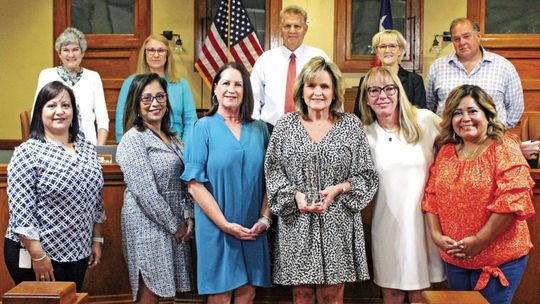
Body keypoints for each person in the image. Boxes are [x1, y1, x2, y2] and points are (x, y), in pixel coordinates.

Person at [265, 56, 378, 303]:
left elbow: (366, 176)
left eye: (324, 86)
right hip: (297, 221)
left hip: (338, 221)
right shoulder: (284, 126)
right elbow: (273, 172)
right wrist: (294, 195)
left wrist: (339, 188)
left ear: (335, 90)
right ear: (301, 90)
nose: (318, 92)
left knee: (332, 295)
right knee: (302, 295)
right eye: (311, 86)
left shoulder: (351, 125)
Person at [422, 85, 535, 304]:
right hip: (456, 259)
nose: (465, 118)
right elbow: (431, 197)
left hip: (498, 259)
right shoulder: (446, 151)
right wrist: (436, 236)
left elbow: (512, 201)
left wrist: (479, 241)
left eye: (472, 111)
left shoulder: (504, 147)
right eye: (457, 112)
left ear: (487, 114)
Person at [181, 62, 271, 303]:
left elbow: (271, 180)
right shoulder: (202, 128)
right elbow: (194, 185)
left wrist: (265, 218)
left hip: (253, 228)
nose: (232, 89)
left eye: (238, 84)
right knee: (220, 296)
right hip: (216, 228)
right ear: (215, 89)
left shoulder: (260, 130)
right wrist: (224, 225)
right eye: (226, 83)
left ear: (246, 91)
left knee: (248, 294)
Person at [4, 81, 105, 292]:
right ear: (40, 112)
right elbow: (22, 215)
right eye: (51, 105)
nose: (59, 111)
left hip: (78, 252)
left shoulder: (87, 149)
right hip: (37, 254)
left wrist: (96, 239)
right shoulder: (27, 152)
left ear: (73, 112)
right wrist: (38, 256)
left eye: (66, 105)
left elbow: (96, 201)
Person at [357, 67, 445, 303]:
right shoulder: (364, 135)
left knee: (421, 295)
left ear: (399, 91)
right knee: (392, 293)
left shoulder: (425, 120)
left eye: (388, 88)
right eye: (373, 90)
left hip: (425, 223)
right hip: (388, 225)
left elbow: (463, 137)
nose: (382, 95)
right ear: (366, 98)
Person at [116, 73, 194, 302]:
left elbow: (184, 182)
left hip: (173, 223)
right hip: (146, 223)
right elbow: (145, 192)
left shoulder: (173, 138)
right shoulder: (134, 139)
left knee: (168, 292)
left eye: (160, 97)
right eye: (147, 98)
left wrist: (188, 218)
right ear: (136, 104)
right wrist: (175, 225)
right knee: (149, 291)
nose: (155, 103)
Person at [251, 5, 330, 130]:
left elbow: (333, 93)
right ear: (281, 29)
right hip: (270, 129)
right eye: (287, 26)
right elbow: (253, 97)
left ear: (305, 29)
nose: (292, 31)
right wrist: (255, 129)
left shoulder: (320, 58)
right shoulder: (265, 60)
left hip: (311, 130)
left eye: (297, 26)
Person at [115, 34, 197, 142]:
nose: (156, 55)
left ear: (167, 55)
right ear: (145, 54)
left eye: (161, 50)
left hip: (176, 145)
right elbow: (122, 118)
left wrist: (185, 147)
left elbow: (191, 120)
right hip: (140, 146)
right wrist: (123, 144)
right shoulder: (131, 83)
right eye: (151, 50)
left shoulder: (181, 84)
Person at [34, 27, 109, 145]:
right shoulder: (46, 75)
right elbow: (36, 114)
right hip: (52, 145)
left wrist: (99, 151)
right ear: (59, 53)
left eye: (75, 49)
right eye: (65, 50)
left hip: (88, 146)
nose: (71, 54)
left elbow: (103, 119)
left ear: (82, 52)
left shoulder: (93, 77)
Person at [354, 29, 426, 119]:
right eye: (382, 46)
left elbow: (421, 115)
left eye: (392, 46)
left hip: (407, 131)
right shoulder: (366, 80)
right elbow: (359, 114)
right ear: (376, 51)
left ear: (400, 50)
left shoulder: (415, 80)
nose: (387, 50)